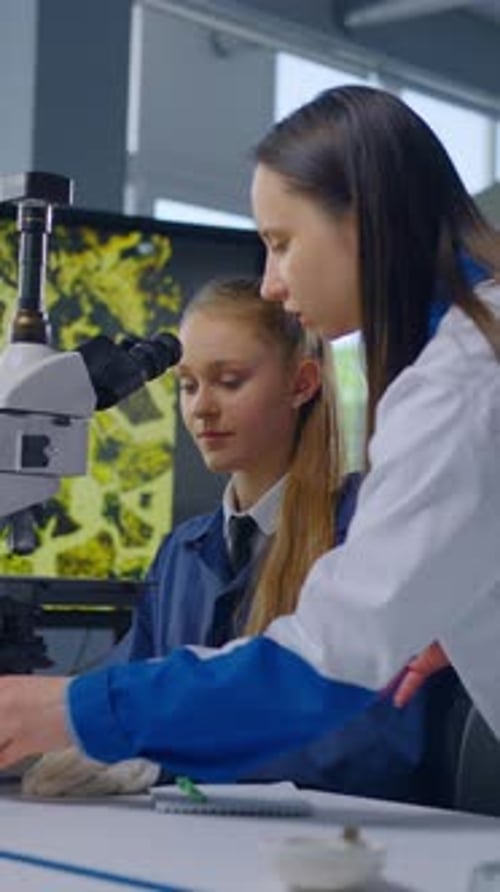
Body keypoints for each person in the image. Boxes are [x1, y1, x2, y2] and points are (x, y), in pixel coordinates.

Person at [1, 85, 500, 783]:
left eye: (281, 243)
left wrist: (72, 709)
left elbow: (324, 667)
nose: (270, 283)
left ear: (363, 219)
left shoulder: (460, 383)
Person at [22, 278, 429, 803]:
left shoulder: (368, 530)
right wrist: (38, 731)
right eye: (188, 386)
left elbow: (371, 742)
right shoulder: (182, 553)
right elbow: (120, 685)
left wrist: (159, 757)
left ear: (302, 384)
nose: (201, 409)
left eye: (229, 382)